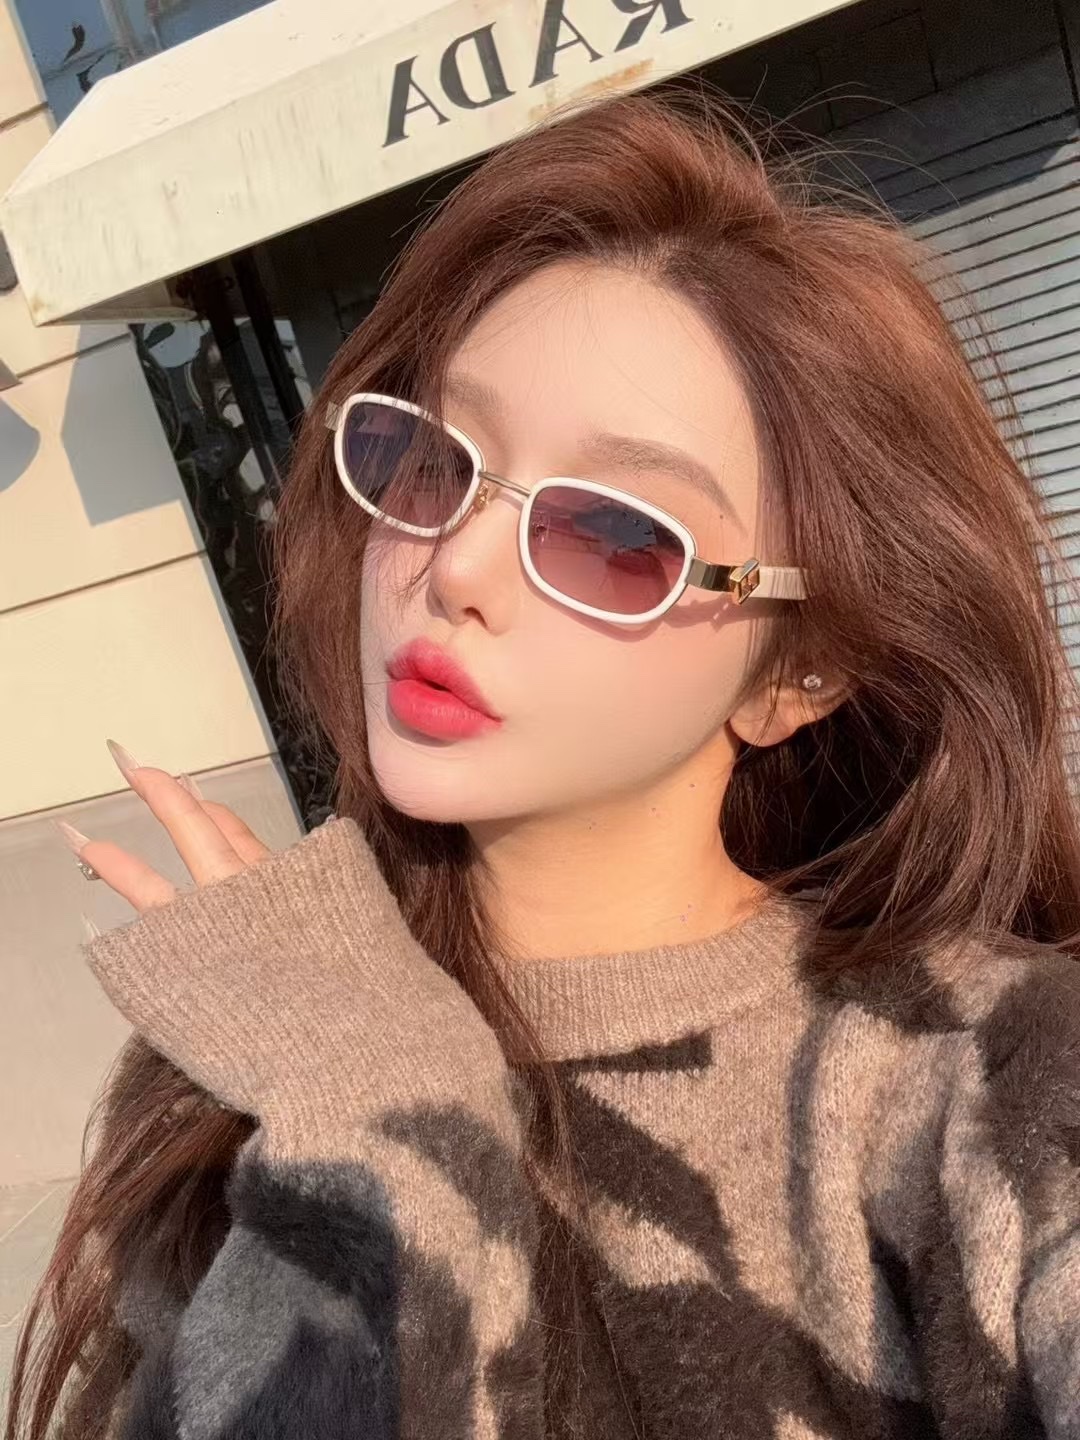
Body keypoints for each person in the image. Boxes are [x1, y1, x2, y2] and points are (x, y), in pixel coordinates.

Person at [9, 88, 1080, 1440]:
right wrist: (368, 1089)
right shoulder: (269, 1038)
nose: (454, 564)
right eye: (431, 462)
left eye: (613, 535)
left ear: (798, 675)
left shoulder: (987, 1072)